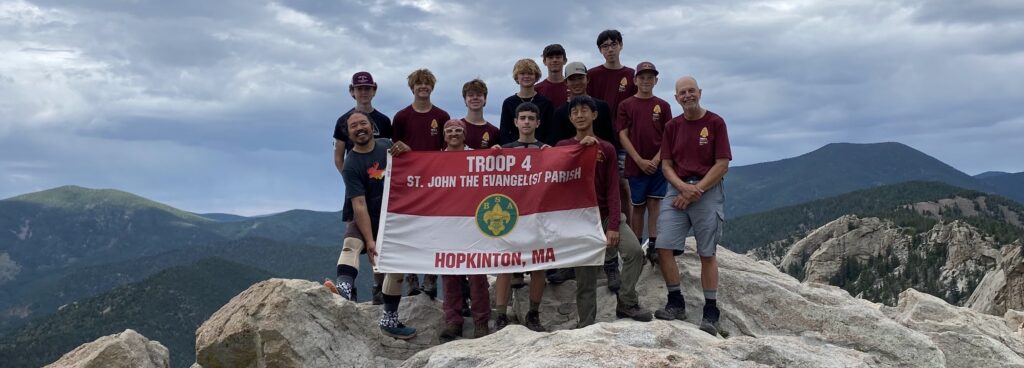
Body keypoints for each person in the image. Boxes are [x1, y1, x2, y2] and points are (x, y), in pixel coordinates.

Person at [557, 96, 652, 327]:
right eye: (575, 112)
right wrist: (580, 150)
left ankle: (627, 301)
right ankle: (586, 324)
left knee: (634, 252)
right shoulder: (562, 147)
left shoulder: (606, 148)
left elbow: (612, 189)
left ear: (594, 115)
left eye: (584, 111)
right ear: (570, 118)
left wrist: (613, 226)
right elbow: (555, 179)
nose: (580, 115)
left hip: (607, 214)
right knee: (586, 278)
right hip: (580, 220)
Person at [326, 111, 417, 339]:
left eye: (363, 123)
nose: (359, 128)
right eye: (354, 125)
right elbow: (359, 205)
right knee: (350, 245)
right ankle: (343, 290)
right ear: (348, 134)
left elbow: (414, 169)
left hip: (394, 216)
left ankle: (389, 319)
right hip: (367, 214)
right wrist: (369, 240)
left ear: (372, 126)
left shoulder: (387, 145)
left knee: (395, 270)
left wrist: (407, 150)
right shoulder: (350, 164)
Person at [653, 76, 732, 337]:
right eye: (682, 93)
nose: (687, 96)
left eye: (691, 91)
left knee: (706, 252)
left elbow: (721, 164)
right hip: (678, 188)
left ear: (699, 93)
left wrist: (695, 190)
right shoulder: (672, 126)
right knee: (663, 247)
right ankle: (676, 302)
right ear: (676, 98)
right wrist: (683, 188)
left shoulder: (715, 123)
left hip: (705, 189)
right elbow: (666, 165)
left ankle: (711, 311)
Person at [550, 61, 620, 291]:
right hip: (574, 179)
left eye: (580, 77)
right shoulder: (561, 111)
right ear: (566, 83)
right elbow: (560, 149)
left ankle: (611, 265)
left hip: (602, 165)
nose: (576, 82)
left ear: (587, 79)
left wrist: (597, 147)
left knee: (620, 191)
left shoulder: (601, 106)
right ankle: (569, 264)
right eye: (571, 79)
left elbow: (609, 137)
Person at [332, 71, 392, 304]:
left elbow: (390, 153)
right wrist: (352, 179)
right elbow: (338, 156)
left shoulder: (384, 121)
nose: (364, 92)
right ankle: (347, 289)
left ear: (374, 90)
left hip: (383, 190)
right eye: (359, 88)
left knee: (381, 240)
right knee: (354, 238)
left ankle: (379, 288)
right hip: (357, 187)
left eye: (368, 87)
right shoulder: (342, 120)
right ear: (352, 91)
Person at [489, 102, 549, 333]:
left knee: (539, 265)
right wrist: (493, 157)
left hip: (536, 216)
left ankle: (533, 313)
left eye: (530, 118)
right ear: (515, 122)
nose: (526, 122)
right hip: (510, 216)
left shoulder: (547, 150)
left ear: (537, 123)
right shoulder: (504, 149)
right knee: (505, 265)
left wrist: (553, 156)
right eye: (522, 118)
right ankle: (501, 316)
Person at [392, 68, 450, 298]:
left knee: (433, 232)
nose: (423, 87)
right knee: (410, 231)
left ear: (432, 87)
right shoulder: (402, 117)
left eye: (427, 83)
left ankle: (430, 279)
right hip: (410, 184)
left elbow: (447, 150)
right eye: (419, 84)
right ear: (412, 88)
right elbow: (395, 150)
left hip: (435, 183)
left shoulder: (443, 116)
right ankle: (411, 279)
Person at [437, 119, 493, 340]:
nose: (453, 134)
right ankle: (453, 320)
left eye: (458, 130)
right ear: (443, 135)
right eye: (449, 130)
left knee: (476, 273)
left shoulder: (478, 158)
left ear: (465, 134)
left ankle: (481, 321)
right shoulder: (435, 160)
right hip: (447, 222)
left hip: (473, 223)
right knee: (449, 273)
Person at [616, 62, 673, 266]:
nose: (646, 81)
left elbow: (668, 135)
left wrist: (657, 159)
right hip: (635, 164)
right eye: (642, 77)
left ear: (656, 80)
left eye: (650, 77)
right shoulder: (627, 105)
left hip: (657, 164)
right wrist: (639, 160)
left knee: (655, 203)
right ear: (635, 80)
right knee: (637, 206)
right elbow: (622, 134)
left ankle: (654, 245)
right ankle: (638, 246)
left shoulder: (663, 105)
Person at [587, 29, 637, 256]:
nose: (609, 49)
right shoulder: (593, 75)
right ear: (600, 50)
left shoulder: (630, 74)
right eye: (604, 46)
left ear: (621, 45)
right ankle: (598, 237)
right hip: (596, 139)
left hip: (622, 140)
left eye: (613, 44)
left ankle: (630, 235)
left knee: (623, 187)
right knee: (596, 189)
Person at [499, 58, 556, 146]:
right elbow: (504, 132)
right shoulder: (508, 103)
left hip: (541, 152)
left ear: (536, 77)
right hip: (515, 152)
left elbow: (550, 132)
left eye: (530, 73)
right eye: (522, 73)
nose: (526, 76)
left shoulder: (546, 103)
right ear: (517, 77)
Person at [459, 79, 500, 149]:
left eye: (479, 95)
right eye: (470, 95)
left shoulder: (494, 131)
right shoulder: (456, 128)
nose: (475, 98)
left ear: (485, 99)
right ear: (465, 100)